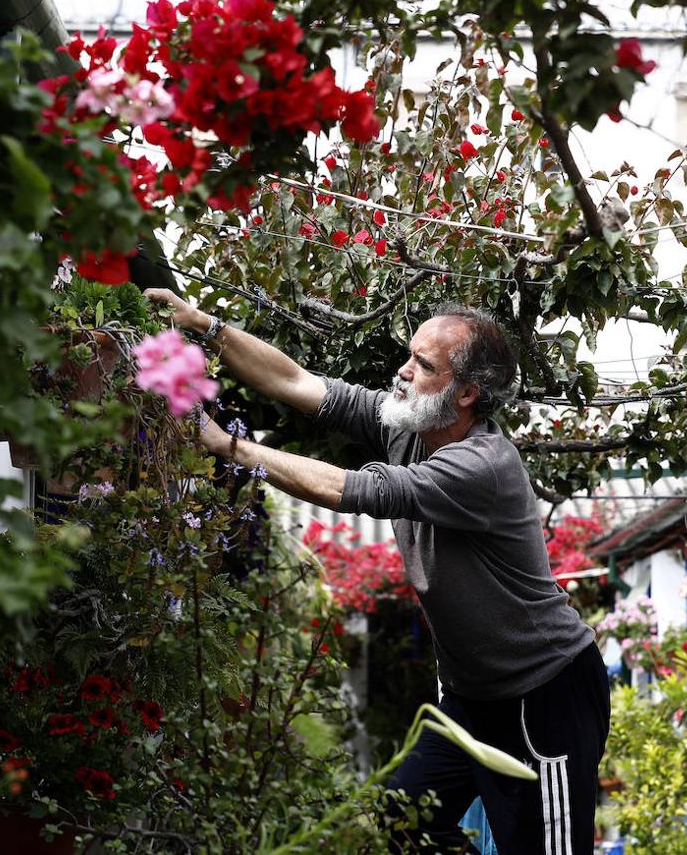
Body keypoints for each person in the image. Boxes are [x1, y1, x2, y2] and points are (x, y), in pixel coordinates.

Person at [145, 288, 609, 854]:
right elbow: (297, 383)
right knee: (397, 821)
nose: (403, 371)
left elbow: (351, 488)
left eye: (424, 365)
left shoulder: (482, 465)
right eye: (409, 355)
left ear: (467, 393)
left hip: (545, 693)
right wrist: (206, 325)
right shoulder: (409, 425)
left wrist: (232, 447)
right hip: (470, 696)